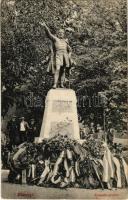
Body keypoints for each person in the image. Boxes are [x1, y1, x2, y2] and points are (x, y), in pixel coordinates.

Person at [39, 21, 74, 89]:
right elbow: (49, 34)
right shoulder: (55, 39)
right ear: (58, 34)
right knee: (57, 69)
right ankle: (55, 84)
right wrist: (45, 26)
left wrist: (69, 56)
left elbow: (70, 50)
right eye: (59, 33)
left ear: (63, 34)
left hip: (65, 56)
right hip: (58, 55)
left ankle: (61, 84)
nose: (61, 34)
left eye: (62, 33)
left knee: (63, 70)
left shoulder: (66, 41)